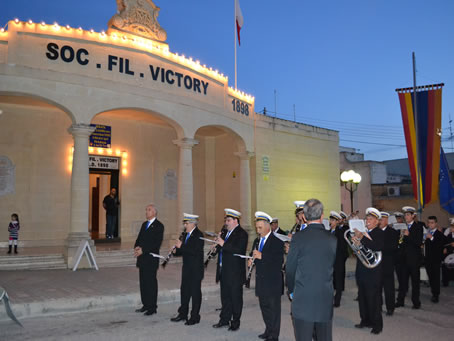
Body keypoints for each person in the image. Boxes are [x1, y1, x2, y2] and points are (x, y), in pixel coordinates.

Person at [286, 199, 337, 341]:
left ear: (304, 217)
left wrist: (291, 291)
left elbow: (290, 269)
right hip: (324, 297)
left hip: (303, 297)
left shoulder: (298, 238)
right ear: (322, 215)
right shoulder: (332, 239)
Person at [248, 211, 284, 341]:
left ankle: (274, 335)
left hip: (272, 282)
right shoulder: (257, 241)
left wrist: (262, 256)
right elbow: (256, 257)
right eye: (256, 228)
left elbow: (278, 261)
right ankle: (268, 330)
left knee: (274, 310)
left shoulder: (277, 241)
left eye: (260, 228)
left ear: (268, 226)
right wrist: (252, 260)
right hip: (261, 281)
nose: (258, 231)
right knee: (264, 308)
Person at [213, 208, 248, 331]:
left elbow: (238, 249)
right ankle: (224, 319)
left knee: (235, 298)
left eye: (228, 220)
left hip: (235, 273)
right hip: (224, 271)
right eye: (226, 220)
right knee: (225, 297)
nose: (226, 223)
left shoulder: (242, 234)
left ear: (235, 220)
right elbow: (222, 249)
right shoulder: (225, 233)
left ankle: (235, 322)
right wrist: (215, 247)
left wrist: (223, 244)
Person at [353, 207, 384, 335]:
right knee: (363, 297)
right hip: (362, 270)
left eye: (371, 219)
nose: (368, 221)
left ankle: (377, 324)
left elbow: (377, 246)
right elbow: (359, 251)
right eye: (367, 218)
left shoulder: (379, 233)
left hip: (373, 272)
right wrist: (356, 243)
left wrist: (362, 238)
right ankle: (365, 320)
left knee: (374, 299)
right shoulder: (363, 232)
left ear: (377, 221)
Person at [171, 213, 204, 325]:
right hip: (186, 269)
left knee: (195, 293)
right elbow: (183, 251)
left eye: (186, 223)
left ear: (193, 223)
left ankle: (195, 316)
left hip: (195, 270)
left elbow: (195, 251)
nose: (185, 225)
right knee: (184, 292)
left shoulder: (199, 235)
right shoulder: (185, 235)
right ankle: (183, 314)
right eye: (185, 223)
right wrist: (176, 251)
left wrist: (182, 246)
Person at [134, 203, 164, 316]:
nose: (146, 212)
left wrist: (143, 250)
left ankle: (152, 307)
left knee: (151, 283)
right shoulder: (144, 224)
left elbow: (156, 243)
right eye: (146, 210)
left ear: (154, 212)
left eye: (149, 210)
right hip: (142, 259)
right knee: (143, 282)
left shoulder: (159, 226)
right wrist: (136, 247)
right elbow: (139, 238)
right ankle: (145, 304)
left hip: (151, 259)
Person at [396, 206, 423, 309]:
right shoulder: (402, 227)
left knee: (415, 282)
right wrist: (400, 238)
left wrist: (408, 235)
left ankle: (416, 302)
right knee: (402, 282)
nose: (406, 217)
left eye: (408, 215)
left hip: (414, 260)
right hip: (403, 259)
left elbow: (418, 242)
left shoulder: (418, 227)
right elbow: (400, 243)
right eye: (405, 215)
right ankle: (400, 301)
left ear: (413, 216)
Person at [379, 212, 399, 316]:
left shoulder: (393, 232)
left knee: (389, 288)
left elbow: (393, 247)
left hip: (387, 264)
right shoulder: (375, 231)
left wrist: (379, 247)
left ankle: (390, 308)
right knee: (377, 287)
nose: (380, 222)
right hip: (377, 265)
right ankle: (378, 306)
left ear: (387, 220)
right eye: (379, 219)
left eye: (381, 219)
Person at [424, 216, 446, 303]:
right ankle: (433, 291)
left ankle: (436, 295)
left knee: (436, 278)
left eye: (432, 223)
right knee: (431, 277)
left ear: (436, 223)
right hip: (428, 259)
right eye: (429, 222)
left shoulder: (440, 234)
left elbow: (440, 246)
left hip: (436, 260)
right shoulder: (426, 233)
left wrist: (432, 238)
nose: (430, 224)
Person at [329, 211, 348, 308]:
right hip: (329, 261)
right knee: (331, 280)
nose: (330, 222)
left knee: (338, 280)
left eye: (333, 220)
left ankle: (337, 300)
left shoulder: (340, 233)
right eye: (330, 220)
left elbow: (342, 247)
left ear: (337, 222)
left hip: (338, 260)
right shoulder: (328, 232)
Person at [442, 218, 454, 286]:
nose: (451, 228)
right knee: (445, 262)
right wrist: (445, 247)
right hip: (449, 253)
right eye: (451, 226)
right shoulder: (449, 235)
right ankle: (445, 281)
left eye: (452, 227)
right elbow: (445, 243)